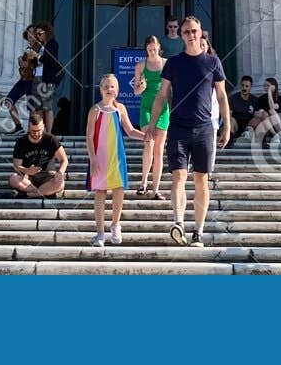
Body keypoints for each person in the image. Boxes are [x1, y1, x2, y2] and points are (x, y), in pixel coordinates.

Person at [148, 15, 230, 246]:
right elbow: (162, 95)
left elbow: (222, 96)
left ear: (200, 32)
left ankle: (198, 232)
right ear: (181, 36)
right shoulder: (173, 63)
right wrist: (152, 125)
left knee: (201, 179)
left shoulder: (213, 62)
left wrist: (227, 125)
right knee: (178, 176)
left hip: (205, 128)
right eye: (186, 32)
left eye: (194, 31)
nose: (191, 35)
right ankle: (179, 223)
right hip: (178, 127)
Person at [86, 74, 143, 246]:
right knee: (100, 193)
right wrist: (93, 159)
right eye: (106, 86)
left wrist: (146, 136)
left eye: (112, 87)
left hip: (117, 156)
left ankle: (116, 225)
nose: (109, 89)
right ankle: (100, 233)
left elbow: (130, 130)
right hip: (100, 157)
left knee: (119, 189)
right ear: (100, 89)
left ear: (117, 90)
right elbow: (89, 137)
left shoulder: (121, 108)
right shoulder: (95, 110)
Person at [131, 35, 170, 198]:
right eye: (149, 49)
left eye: (155, 49)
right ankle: (143, 183)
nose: (152, 52)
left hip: (162, 108)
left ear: (159, 48)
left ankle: (156, 189)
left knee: (159, 150)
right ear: (146, 49)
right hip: (147, 107)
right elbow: (136, 91)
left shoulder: (166, 63)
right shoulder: (141, 65)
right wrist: (141, 86)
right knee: (148, 143)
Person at [8, 111, 67, 199]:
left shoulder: (51, 140)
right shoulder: (21, 142)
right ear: (28, 128)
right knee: (13, 179)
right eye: (33, 131)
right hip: (29, 179)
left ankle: (32, 194)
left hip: (48, 176)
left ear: (43, 127)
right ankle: (43, 193)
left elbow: (64, 160)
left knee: (60, 183)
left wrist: (60, 172)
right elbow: (17, 165)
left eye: (39, 130)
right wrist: (27, 170)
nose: (36, 133)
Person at [250, 77, 281, 143]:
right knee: (264, 113)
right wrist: (259, 112)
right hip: (268, 126)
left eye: (268, 86)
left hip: (278, 126)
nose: (265, 87)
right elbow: (255, 112)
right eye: (264, 85)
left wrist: (270, 93)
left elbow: (272, 107)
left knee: (272, 111)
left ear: (274, 87)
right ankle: (275, 135)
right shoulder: (261, 99)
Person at [226, 75, 257, 145]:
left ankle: (260, 140)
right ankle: (229, 140)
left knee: (257, 119)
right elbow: (229, 114)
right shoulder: (233, 98)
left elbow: (256, 115)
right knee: (231, 119)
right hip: (236, 125)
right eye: (242, 85)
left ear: (251, 87)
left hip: (249, 127)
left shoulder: (255, 100)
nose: (244, 88)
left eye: (247, 86)